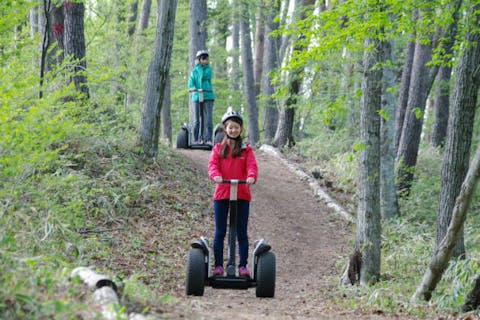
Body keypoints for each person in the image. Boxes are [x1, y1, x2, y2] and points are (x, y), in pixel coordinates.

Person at [207, 109, 258, 278]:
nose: (233, 130)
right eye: (230, 127)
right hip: (222, 193)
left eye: (236, 127)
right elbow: (212, 165)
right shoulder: (218, 149)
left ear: (241, 129)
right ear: (225, 129)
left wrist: (251, 176)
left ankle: (242, 266)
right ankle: (219, 266)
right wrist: (215, 175)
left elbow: (252, 166)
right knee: (220, 231)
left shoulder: (246, 150)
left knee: (241, 231)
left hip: (242, 194)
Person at [188, 49, 215, 145]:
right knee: (197, 119)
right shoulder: (194, 71)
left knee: (208, 118)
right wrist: (192, 88)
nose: (205, 61)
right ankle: (197, 138)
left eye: (206, 59)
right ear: (199, 60)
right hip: (196, 96)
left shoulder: (208, 69)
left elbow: (203, 76)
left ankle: (208, 139)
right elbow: (191, 83)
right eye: (203, 58)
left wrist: (199, 67)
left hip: (207, 95)